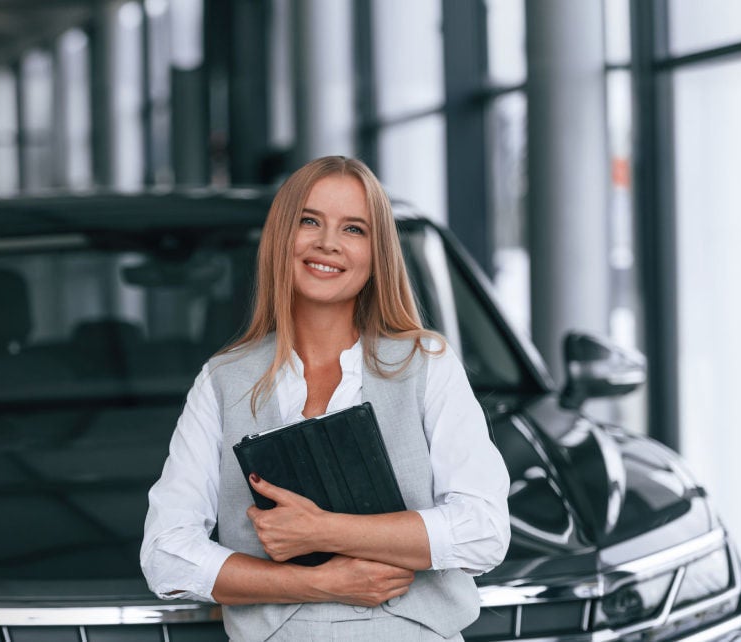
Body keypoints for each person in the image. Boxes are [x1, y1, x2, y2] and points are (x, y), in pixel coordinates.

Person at [140, 156, 510, 641]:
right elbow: (166, 555)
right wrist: (315, 583)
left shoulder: (426, 363)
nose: (328, 243)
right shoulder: (222, 381)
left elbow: (483, 532)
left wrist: (324, 532)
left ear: (377, 253)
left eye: (354, 229)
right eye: (309, 221)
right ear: (281, 237)